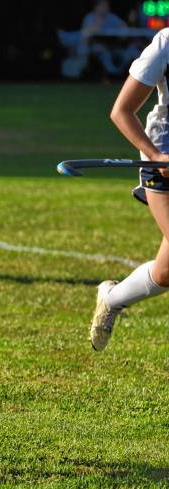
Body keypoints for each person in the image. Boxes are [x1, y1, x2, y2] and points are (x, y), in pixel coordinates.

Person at [89, 28, 169, 351]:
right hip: (161, 154)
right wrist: (156, 156)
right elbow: (121, 111)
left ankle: (112, 297)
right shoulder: (165, 43)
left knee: (165, 273)